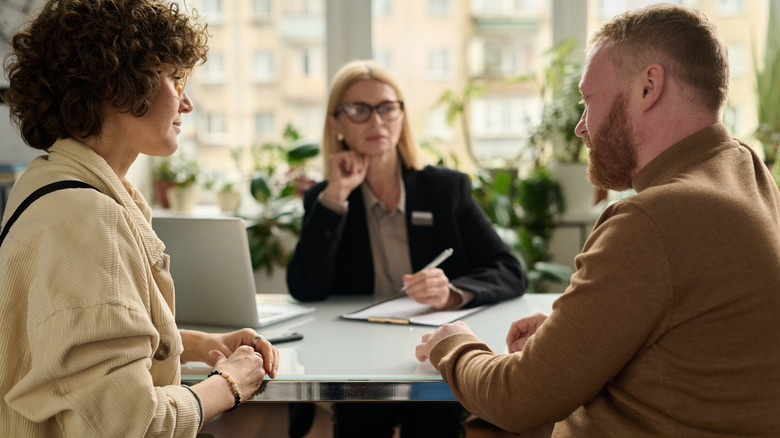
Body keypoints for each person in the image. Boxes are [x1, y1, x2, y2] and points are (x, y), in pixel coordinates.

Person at [415, 3, 780, 437]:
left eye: (589, 100)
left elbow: (518, 399)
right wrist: (577, 336)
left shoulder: (652, 219)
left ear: (648, 86)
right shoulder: (743, 168)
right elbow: (700, 334)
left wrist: (451, 344)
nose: (580, 127)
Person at [0, 1, 279, 436]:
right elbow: (132, 424)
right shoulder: (88, 218)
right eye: (175, 78)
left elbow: (74, 348)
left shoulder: (50, 182)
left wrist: (202, 345)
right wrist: (231, 383)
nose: (186, 104)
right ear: (117, 85)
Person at [285, 60, 527, 437]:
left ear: (401, 115)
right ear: (337, 123)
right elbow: (305, 287)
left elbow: (509, 269)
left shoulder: (445, 189)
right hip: (356, 356)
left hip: (428, 349)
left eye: (386, 108)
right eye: (359, 110)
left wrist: (452, 293)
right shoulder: (326, 198)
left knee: (433, 424)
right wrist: (336, 196)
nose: (376, 122)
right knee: (360, 425)